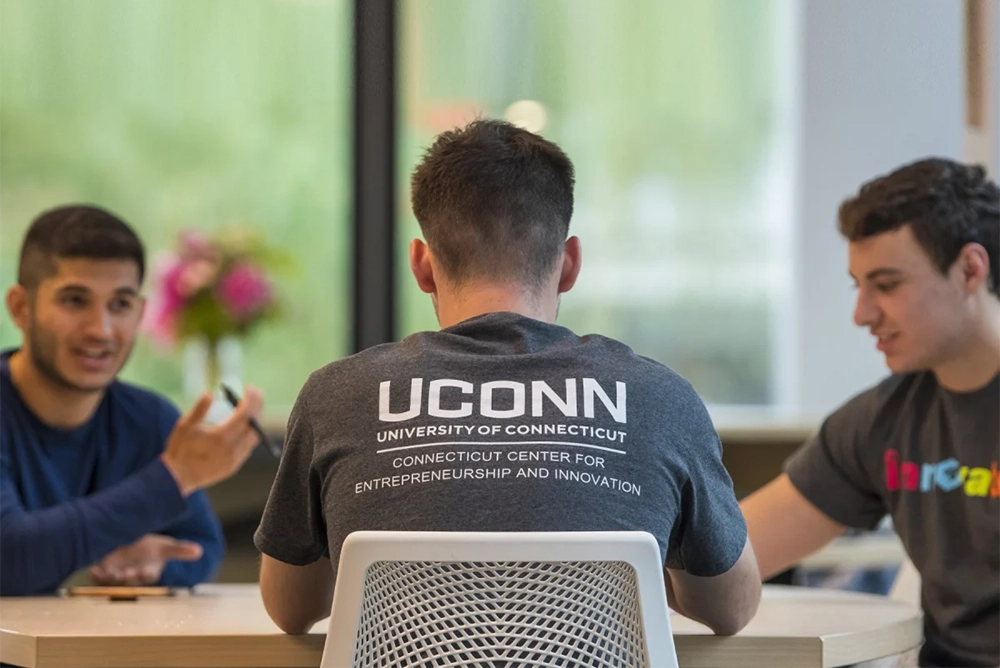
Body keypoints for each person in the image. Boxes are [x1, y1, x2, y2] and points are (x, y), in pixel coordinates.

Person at [254, 119, 761, 636]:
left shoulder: (337, 398)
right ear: (569, 266)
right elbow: (731, 608)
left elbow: (291, 609)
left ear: (422, 267)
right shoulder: (659, 400)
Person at [740, 158, 1000, 668]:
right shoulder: (882, 422)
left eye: (887, 285)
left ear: (970, 269)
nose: (862, 314)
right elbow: (732, 554)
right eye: (857, 286)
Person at [0, 204, 265, 595]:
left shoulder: (149, 418)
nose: (101, 330)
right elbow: (9, 559)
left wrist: (155, 563)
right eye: (74, 300)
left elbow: (201, 548)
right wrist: (173, 478)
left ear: (140, 312)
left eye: (120, 304)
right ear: (21, 308)